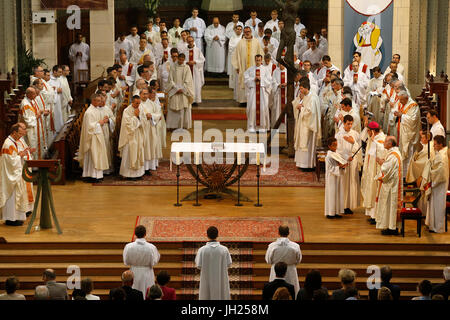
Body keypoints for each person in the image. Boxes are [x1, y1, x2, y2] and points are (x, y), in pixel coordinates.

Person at [0, 124, 33, 226]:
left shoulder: (12, 142)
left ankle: (15, 218)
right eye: (19, 133)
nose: (20, 136)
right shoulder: (8, 144)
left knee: (16, 197)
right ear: (14, 133)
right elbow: (10, 161)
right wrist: (20, 156)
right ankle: (11, 219)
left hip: (14, 174)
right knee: (12, 197)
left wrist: (20, 155)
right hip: (10, 176)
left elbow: (14, 157)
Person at [374, 136, 402, 235]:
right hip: (391, 184)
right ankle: (390, 226)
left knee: (390, 205)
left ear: (390, 144)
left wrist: (382, 163)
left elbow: (386, 169)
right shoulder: (393, 153)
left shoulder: (393, 155)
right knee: (389, 206)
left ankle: (392, 228)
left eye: (385, 141)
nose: (384, 143)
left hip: (391, 186)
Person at [78, 93, 109, 182]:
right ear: (93, 101)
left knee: (97, 155)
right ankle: (91, 175)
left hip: (97, 136)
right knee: (93, 156)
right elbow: (89, 127)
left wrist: (103, 121)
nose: (100, 102)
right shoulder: (89, 112)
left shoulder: (95, 110)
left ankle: (97, 175)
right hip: (92, 138)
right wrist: (99, 123)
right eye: (98, 101)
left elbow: (97, 122)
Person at [195, 226, 232, 300]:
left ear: (207, 235)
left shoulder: (202, 250)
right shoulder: (224, 249)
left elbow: (198, 265)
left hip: (207, 280)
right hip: (221, 279)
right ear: (218, 235)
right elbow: (229, 264)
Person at [123, 225, 160, 299]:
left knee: (134, 294)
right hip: (147, 273)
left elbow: (126, 261)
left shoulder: (129, 246)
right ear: (145, 234)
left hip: (134, 271)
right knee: (147, 294)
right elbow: (155, 261)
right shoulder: (151, 247)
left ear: (135, 234)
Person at [421, 135, 449, 233]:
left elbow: (440, 171)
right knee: (433, 205)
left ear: (441, 144)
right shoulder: (440, 153)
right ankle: (433, 226)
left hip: (439, 184)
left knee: (438, 206)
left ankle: (438, 227)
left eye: (435, 144)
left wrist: (430, 174)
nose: (434, 146)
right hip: (436, 184)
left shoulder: (442, 156)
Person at [292, 79, 322, 170]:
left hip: (309, 126)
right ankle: (301, 163)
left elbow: (311, 112)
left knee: (307, 145)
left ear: (306, 88)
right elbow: (298, 103)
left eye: (301, 88)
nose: (300, 90)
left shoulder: (312, 97)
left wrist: (301, 109)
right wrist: (298, 104)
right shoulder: (305, 96)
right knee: (301, 144)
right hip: (302, 124)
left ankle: (307, 165)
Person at [361, 121, 387, 224]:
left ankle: (376, 216)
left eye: (368, 131)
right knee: (371, 190)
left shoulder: (380, 139)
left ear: (372, 131)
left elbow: (381, 152)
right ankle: (371, 214)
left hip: (377, 171)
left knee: (375, 191)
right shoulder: (374, 139)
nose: (367, 132)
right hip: (371, 169)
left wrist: (374, 142)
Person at [265, 226, 302, 297]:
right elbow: (298, 260)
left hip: (276, 271)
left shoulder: (272, 246)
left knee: (274, 292)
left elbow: (268, 260)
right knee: (291, 293)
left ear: (278, 233)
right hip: (290, 271)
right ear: (288, 233)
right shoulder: (295, 246)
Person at [232, 26, 264, 106]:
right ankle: (243, 101)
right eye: (245, 32)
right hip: (243, 67)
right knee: (243, 82)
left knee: (253, 82)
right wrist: (237, 67)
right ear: (244, 32)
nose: (247, 33)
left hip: (254, 67)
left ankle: (252, 101)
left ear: (251, 32)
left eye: (248, 31)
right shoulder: (240, 42)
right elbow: (235, 55)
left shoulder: (256, 42)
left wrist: (260, 65)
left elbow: (261, 54)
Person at [335, 115, 361, 214]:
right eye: (348, 124)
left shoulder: (355, 134)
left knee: (351, 183)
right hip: (344, 161)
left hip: (352, 161)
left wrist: (353, 142)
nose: (350, 126)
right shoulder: (339, 135)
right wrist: (346, 157)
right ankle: (342, 205)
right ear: (344, 123)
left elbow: (358, 148)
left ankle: (348, 206)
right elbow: (338, 149)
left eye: (351, 124)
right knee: (343, 184)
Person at [118, 95, 146, 179]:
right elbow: (128, 125)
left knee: (139, 152)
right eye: (136, 103)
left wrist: (138, 117)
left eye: (139, 103)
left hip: (138, 135)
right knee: (129, 154)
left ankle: (138, 174)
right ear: (132, 102)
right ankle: (127, 174)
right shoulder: (127, 111)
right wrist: (136, 117)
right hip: (129, 137)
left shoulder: (140, 109)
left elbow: (144, 121)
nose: (138, 105)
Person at [166, 53, 194, 129]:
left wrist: (182, 88)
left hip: (183, 91)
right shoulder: (173, 67)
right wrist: (176, 88)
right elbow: (170, 80)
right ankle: (172, 126)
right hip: (175, 91)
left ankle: (182, 126)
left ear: (184, 59)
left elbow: (188, 80)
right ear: (177, 58)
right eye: (180, 59)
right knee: (173, 108)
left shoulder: (187, 67)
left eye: (182, 60)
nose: (181, 61)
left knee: (183, 109)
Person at [244, 54, 271, 133]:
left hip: (262, 92)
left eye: (259, 60)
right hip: (253, 92)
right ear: (254, 60)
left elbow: (269, 81)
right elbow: (246, 80)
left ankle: (262, 126)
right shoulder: (250, 69)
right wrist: (253, 79)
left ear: (261, 60)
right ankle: (251, 126)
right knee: (252, 108)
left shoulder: (265, 70)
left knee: (263, 108)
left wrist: (261, 79)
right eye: (256, 60)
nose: (258, 62)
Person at [396, 91, 420, 176]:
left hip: (410, 136)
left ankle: (409, 176)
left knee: (409, 156)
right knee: (404, 157)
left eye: (401, 100)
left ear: (406, 98)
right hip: (404, 133)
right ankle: (404, 175)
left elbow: (412, 120)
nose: (400, 102)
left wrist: (401, 116)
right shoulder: (404, 104)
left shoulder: (413, 106)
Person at [19, 87, 46, 159]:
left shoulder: (31, 101)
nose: (36, 95)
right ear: (29, 94)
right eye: (34, 94)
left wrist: (41, 112)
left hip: (34, 127)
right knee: (31, 145)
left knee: (36, 145)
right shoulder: (25, 104)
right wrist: (37, 115)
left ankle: (37, 161)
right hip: (29, 130)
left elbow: (34, 113)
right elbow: (28, 120)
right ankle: (32, 165)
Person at [324, 137, 347, 218]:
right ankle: (330, 213)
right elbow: (330, 168)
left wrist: (343, 166)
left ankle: (337, 212)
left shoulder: (336, 154)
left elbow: (340, 163)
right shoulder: (328, 156)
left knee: (338, 193)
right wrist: (339, 166)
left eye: (336, 145)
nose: (335, 147)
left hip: (337, 177)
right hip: (331, 178)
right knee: (332, 194)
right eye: (334, 145)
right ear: (329, 146)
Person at [183, 36, 205, 106]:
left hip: (195, 71)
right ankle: (188, 99)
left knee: (196, 85)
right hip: (187, 71)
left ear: (193, 41)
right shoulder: (184, 50)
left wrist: (195, 62)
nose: (190, 42)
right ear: (187, 41)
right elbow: (181, 60)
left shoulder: (197, 50)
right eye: (189, 41)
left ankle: (195, 100)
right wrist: (186, 62)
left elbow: (202, 60)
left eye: (191, 41)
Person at [47, 65, 64, 133]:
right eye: (59, 72)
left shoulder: (58, 80)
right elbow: (48, 92)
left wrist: (59, 90)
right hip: (53, 103)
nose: (61, 74)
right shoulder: (49, 80)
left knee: (59, 116)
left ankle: (59, 131)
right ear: (54, 71)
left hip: (58, 101)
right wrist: (56, 90)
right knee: (55, 117)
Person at [228, 25, 243, 92]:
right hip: (234, 57)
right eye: (238, 29)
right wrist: (238, 47)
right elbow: (230, 47)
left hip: (241, 57)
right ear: (235, 30)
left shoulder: (243, 37)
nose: (239, 30)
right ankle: (233, 85)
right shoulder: (232, 38)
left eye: (240, 29)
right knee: (233, 71)